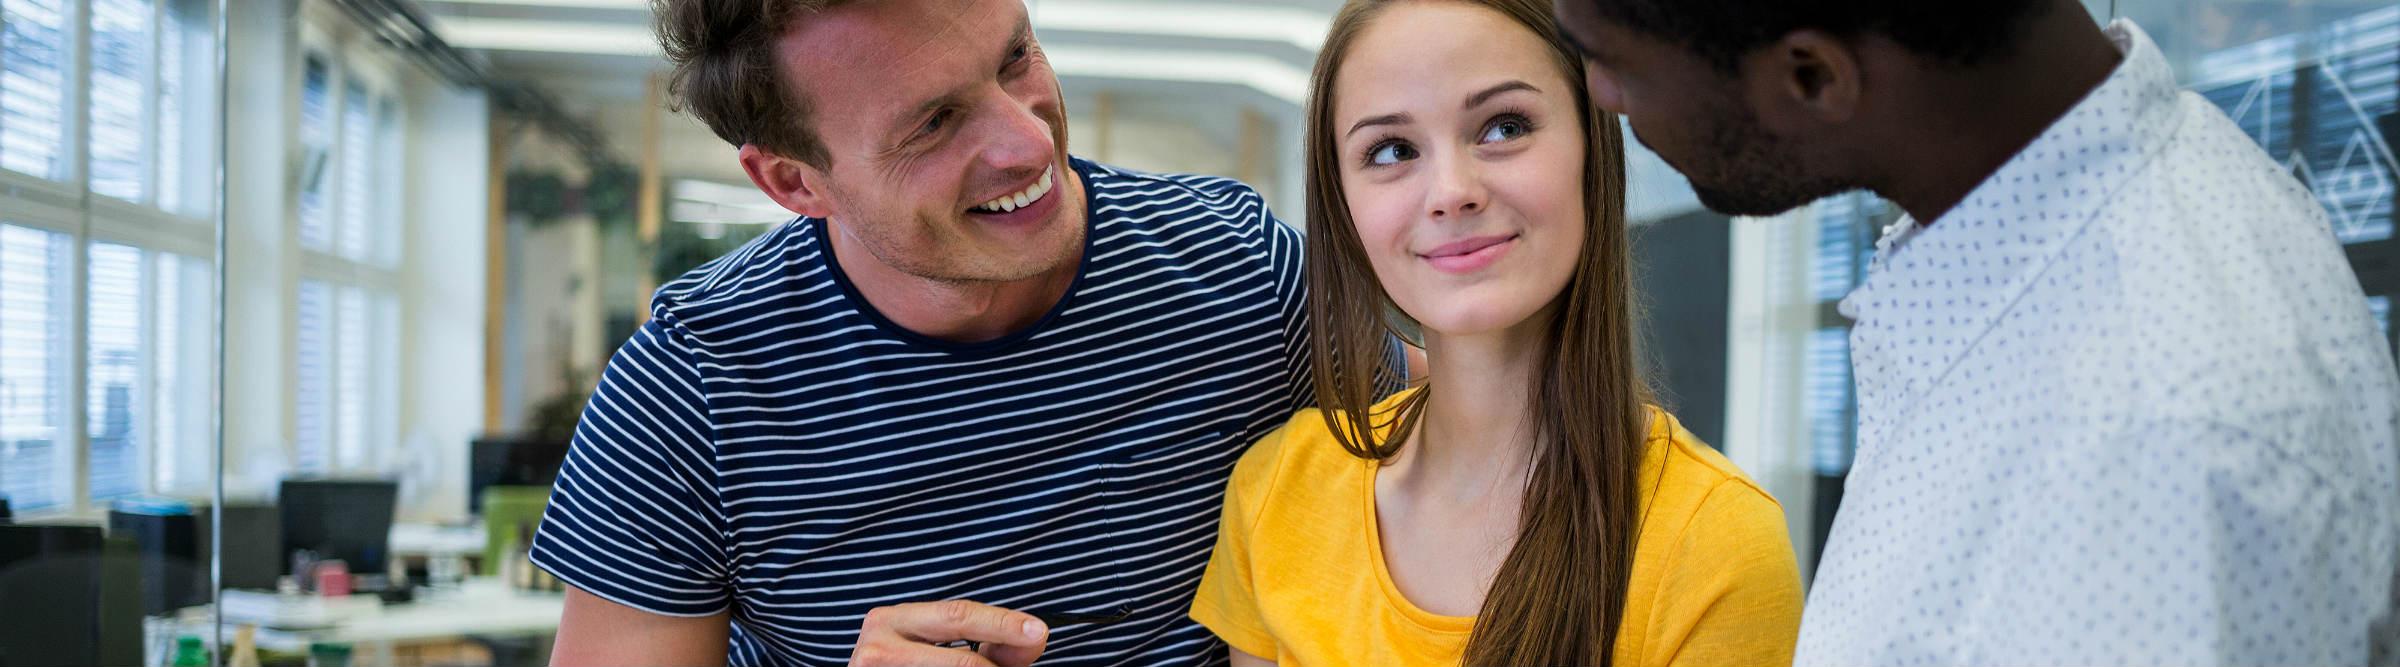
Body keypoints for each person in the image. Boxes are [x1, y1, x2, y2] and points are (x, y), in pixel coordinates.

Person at [529, 0, 1393, 664]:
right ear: (795, 181)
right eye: (934, 123)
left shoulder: (1238, 269)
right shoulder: (690, 388)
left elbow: (1474, 464)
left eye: (1016, 56)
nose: (1028, 143)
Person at [1550, 0, 2400, 664]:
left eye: (1616, 63)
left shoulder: (2160, 450)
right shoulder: (2063, 235)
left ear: (1812, 76)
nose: (1601, 96)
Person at [1188, 1, 1803, 665]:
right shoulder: (1277, 488)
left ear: (1590, 151)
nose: (1451, 191)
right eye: (1391, 150)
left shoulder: (1717, 544)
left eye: (1504, 127)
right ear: (1343, 205)